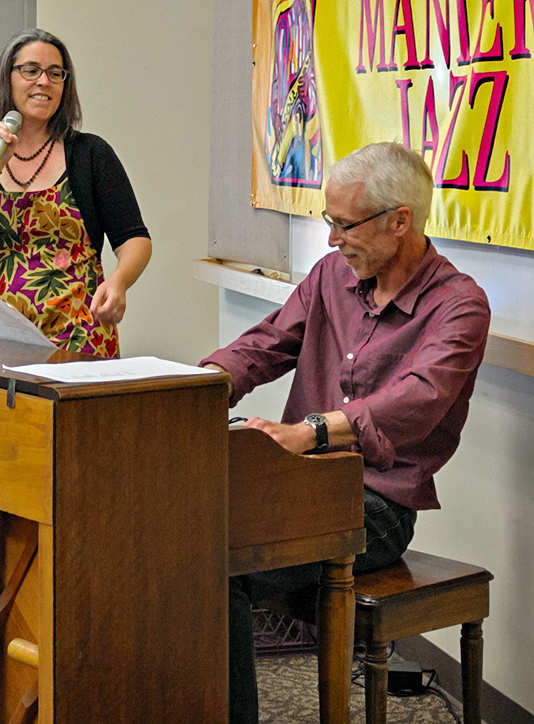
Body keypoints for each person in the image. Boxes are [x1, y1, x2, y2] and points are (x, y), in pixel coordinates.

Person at [201, 142, 490, 724]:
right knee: (179, 530)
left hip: (375, 506)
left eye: (343, 224)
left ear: (399, 221)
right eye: (328, 222)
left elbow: (415, 402)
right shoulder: (332, 275)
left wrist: (311, 432)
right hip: (293, 483)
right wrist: (199, 386)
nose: (331, 239)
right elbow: (265, 343)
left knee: (215, 565)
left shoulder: (460, 306)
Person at [0, 29, 152, 357]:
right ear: (6, 79)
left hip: (79, 333)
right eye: (31, 70)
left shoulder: (91, 154)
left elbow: (135, 238)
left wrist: (120, 281)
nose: (44, 81)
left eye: (55, 73)